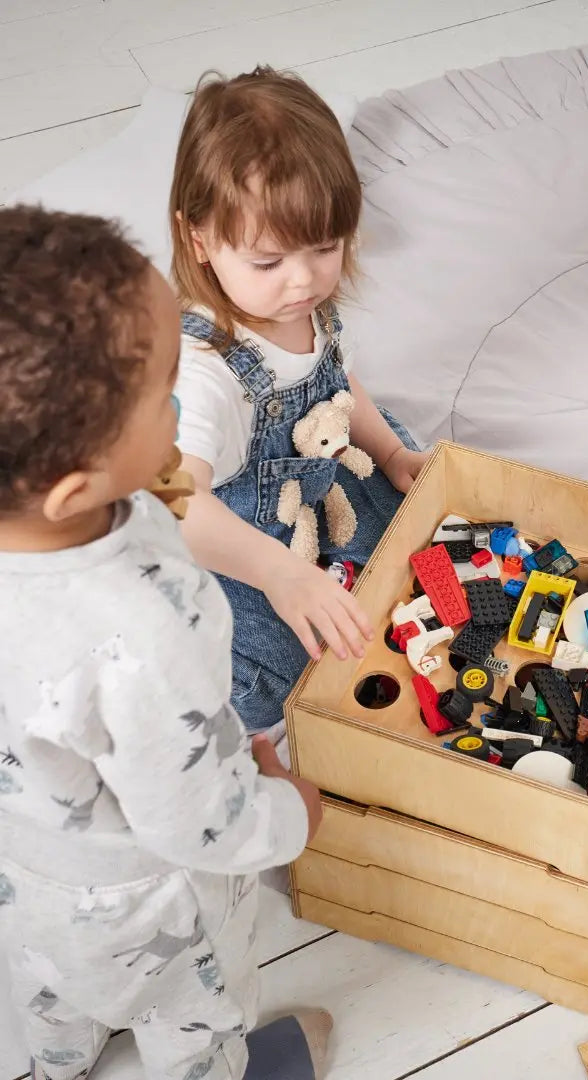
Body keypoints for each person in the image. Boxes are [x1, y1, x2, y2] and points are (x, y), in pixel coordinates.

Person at [0, 206, 332, 1080]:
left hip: (25, 882)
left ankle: (53, 1066)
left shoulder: (49, 517)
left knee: (50, 1001)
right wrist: (292, 811)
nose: (185, 407)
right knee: (197, 1019)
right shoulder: (142, 633)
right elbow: (199, 824)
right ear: (75, 487)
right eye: (165, 398)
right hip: (150, 906)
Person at [171, 66, 429, 730]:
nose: (305, 280)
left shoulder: (306, 300)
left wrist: (394, 451)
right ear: (198, 240)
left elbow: (336, 386)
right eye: (269, 262)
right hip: (231, 540)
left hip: (312, 476)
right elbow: (175, 505)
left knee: (412, 532)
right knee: (293, 662)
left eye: (325, 247)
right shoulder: (205, 372)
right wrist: (283, 577)